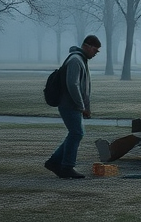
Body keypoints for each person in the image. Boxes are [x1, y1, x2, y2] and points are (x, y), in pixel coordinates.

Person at [44, 34, 101, 179]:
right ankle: (67, 166)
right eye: (95, 49)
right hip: (69, 104)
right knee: (76, 133)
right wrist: (82, 106)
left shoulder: (80, 59)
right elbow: (73, 84)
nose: (96, 53)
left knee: (76, 133)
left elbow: (83, 87)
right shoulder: (76, 60)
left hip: (73, 104)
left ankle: (54, 162)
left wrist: (86, 107)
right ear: (86, 46)